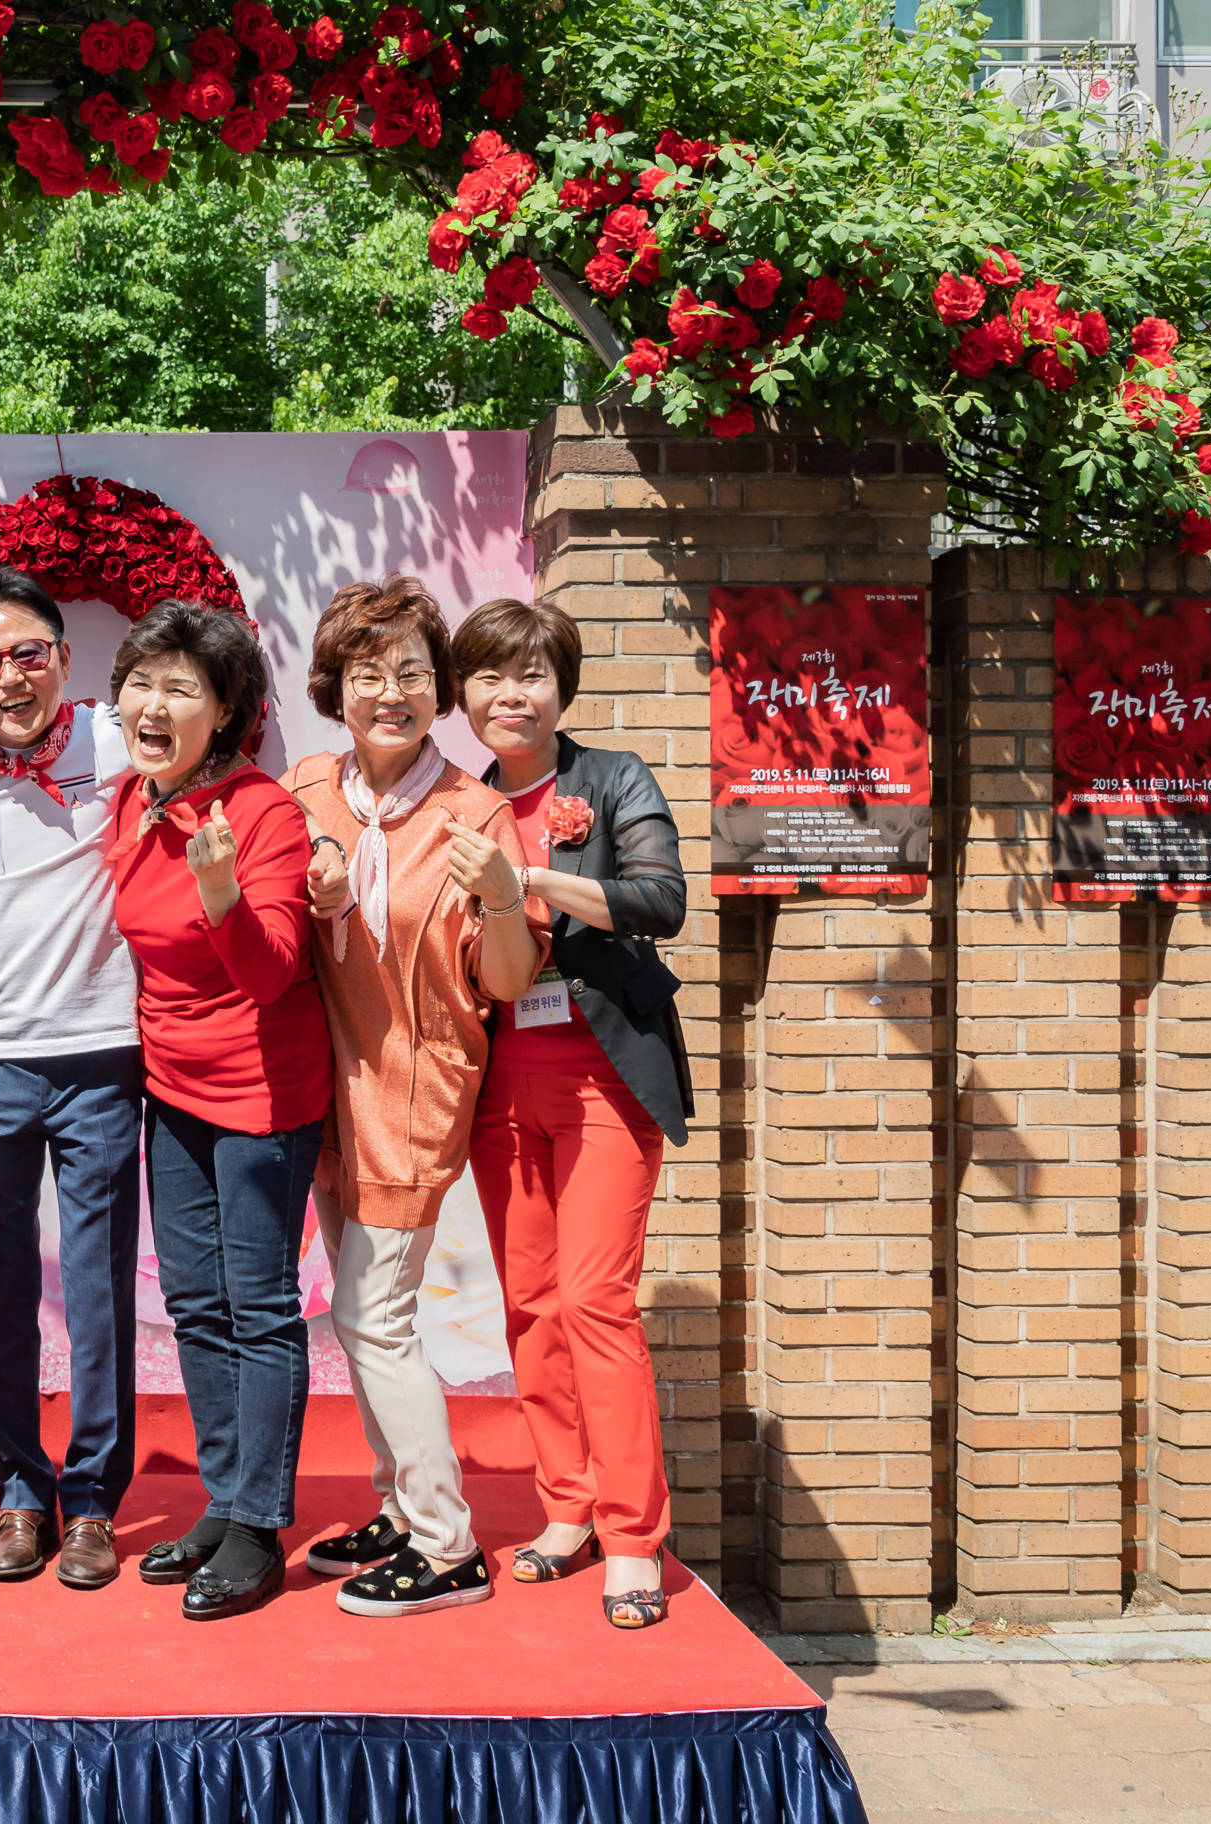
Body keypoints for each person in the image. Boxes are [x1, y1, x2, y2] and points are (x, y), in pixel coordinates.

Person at [282, 577, 546, 1619]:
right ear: (334, 689)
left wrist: (504, 896)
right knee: (363, 1321)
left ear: (437, 691)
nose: (388, 692)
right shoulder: (305, 789)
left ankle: (447, 1546)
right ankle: (397, 1507)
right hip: (322, 1084)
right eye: (366, 674)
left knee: (371, 1311)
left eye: (409, 674)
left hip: (415, 1086)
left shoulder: (476, 813)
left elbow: (511, 979)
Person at [455, 596, 693, 1632]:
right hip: (498, 1079)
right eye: (492, 676)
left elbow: (662, 900)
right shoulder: (453, 801)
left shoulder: (609, 778)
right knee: (533, 1306)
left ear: (563, 687)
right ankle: (566, 1509)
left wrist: (539, 877)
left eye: (533, 674)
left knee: (596, 1301)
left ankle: (633, 1537)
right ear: (464, 694)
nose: (514, 694)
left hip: (602, 1072)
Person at [106, 601, 331, 1622]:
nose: (153, 705)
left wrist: (225, 894)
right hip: (172, 1091)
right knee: (195, 1306)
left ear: (227, 711)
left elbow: (278, 971)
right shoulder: (128, 801)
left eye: (181, 689)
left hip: (262, 1094)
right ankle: (223, 1497)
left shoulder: (261, 813)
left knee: (259, 1307)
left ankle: (257, 1526)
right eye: (142, 684)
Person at [0, 564, 140, 1590]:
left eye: (30, 655)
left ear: (65, 659)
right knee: (0, 1289)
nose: (13, 678)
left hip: (106, 1053)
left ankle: (96, 1500)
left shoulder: (121, 743)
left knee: (99, 1289)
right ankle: (21, 1489)